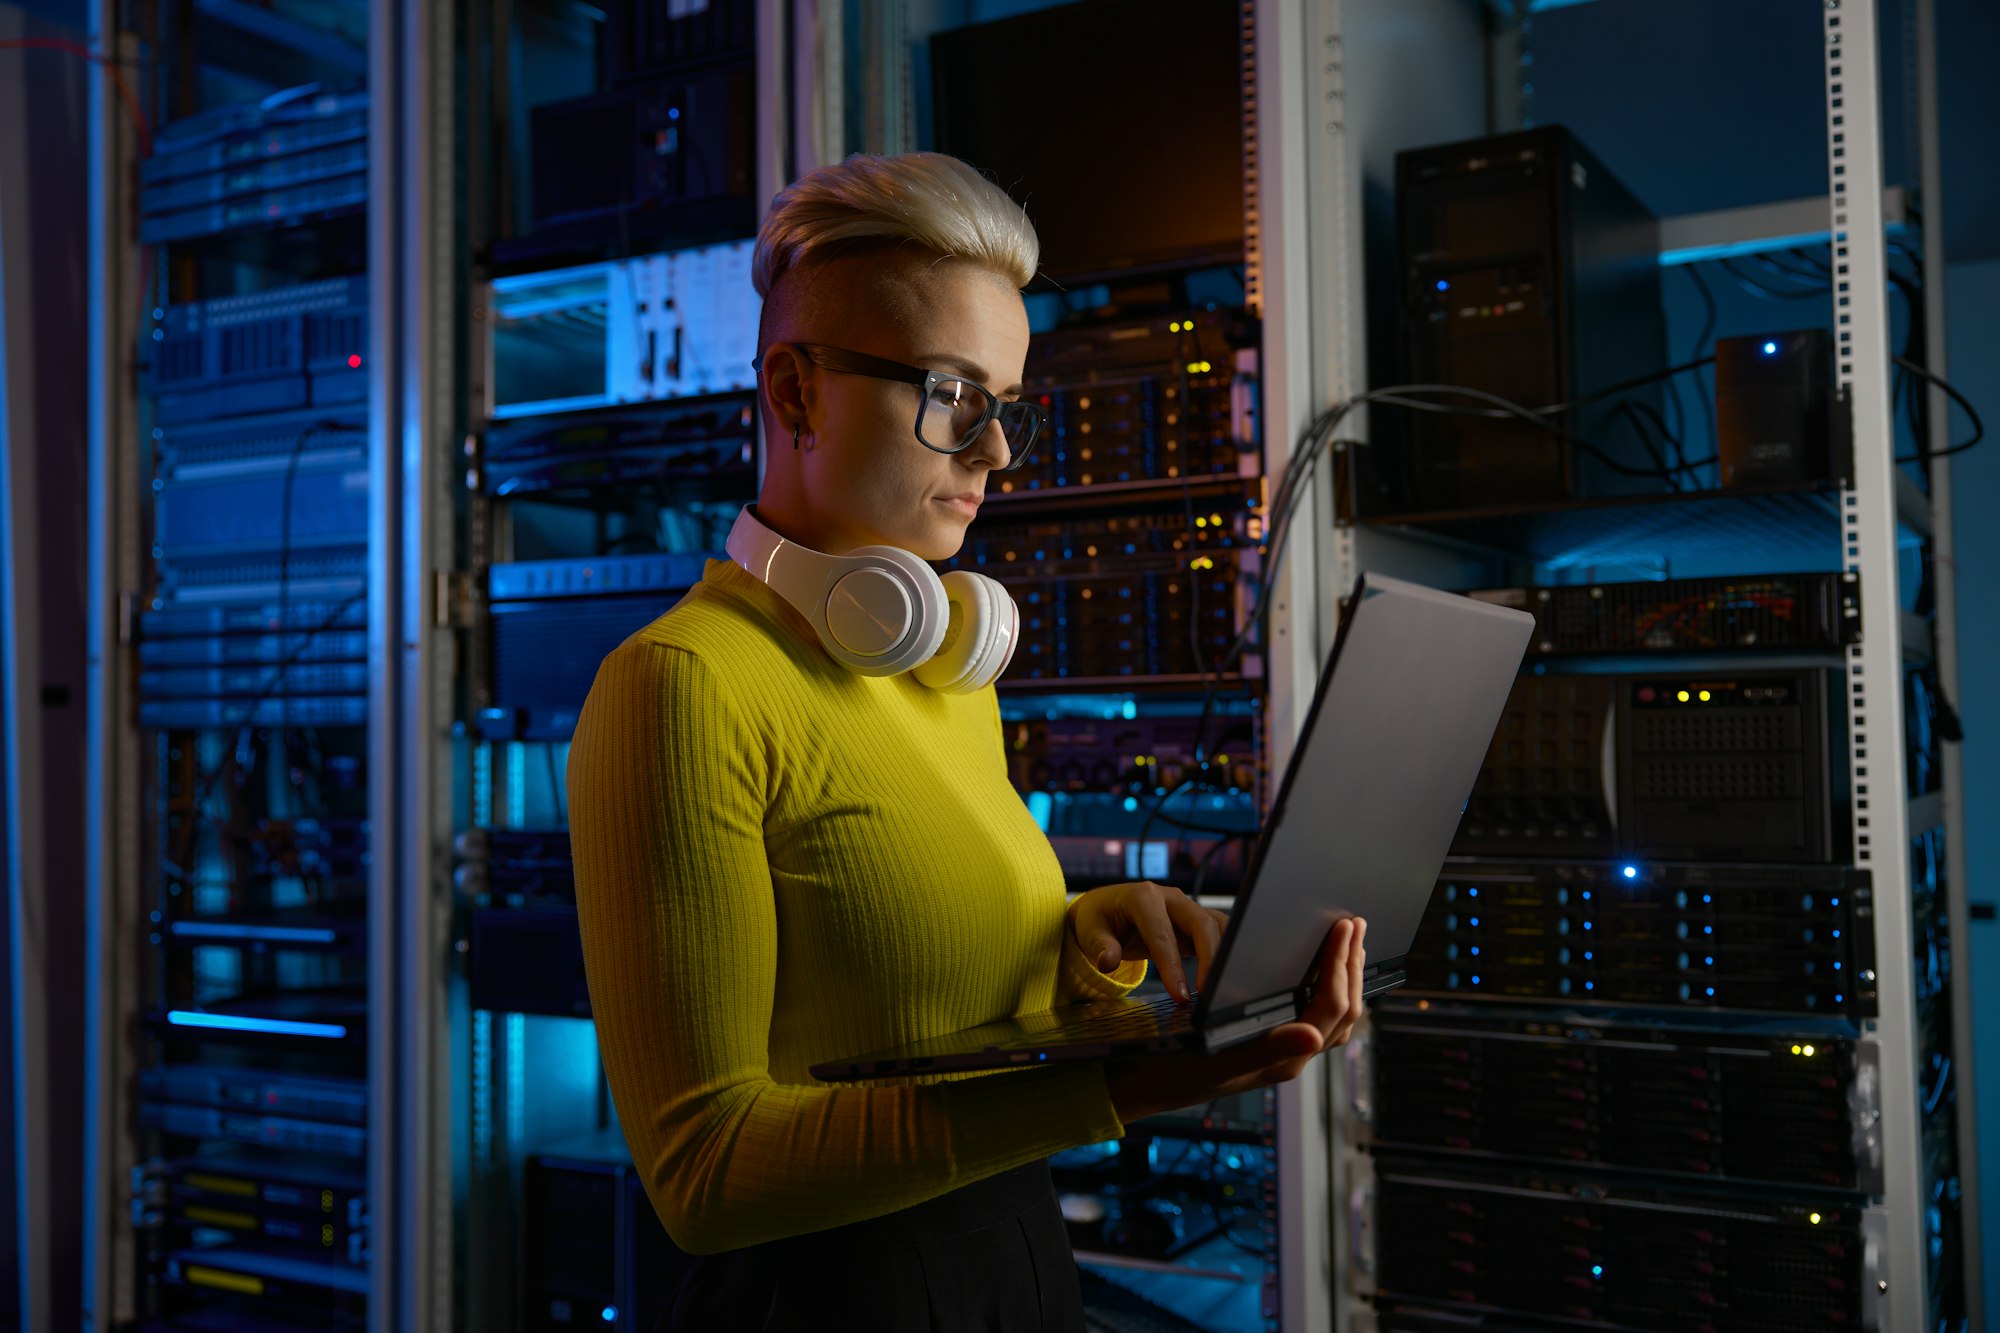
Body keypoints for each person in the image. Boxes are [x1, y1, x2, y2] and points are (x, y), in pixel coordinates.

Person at [564, 150, 1367, 1332]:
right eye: (953, 397)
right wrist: (1119, 1083)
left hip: (1010, 1263)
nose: (993, 454)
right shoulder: (681, 685)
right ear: (795, 394)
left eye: (1005, 407)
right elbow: (705, 1173)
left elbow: (921, 1005)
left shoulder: (941, 667)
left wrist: (1091, 959)